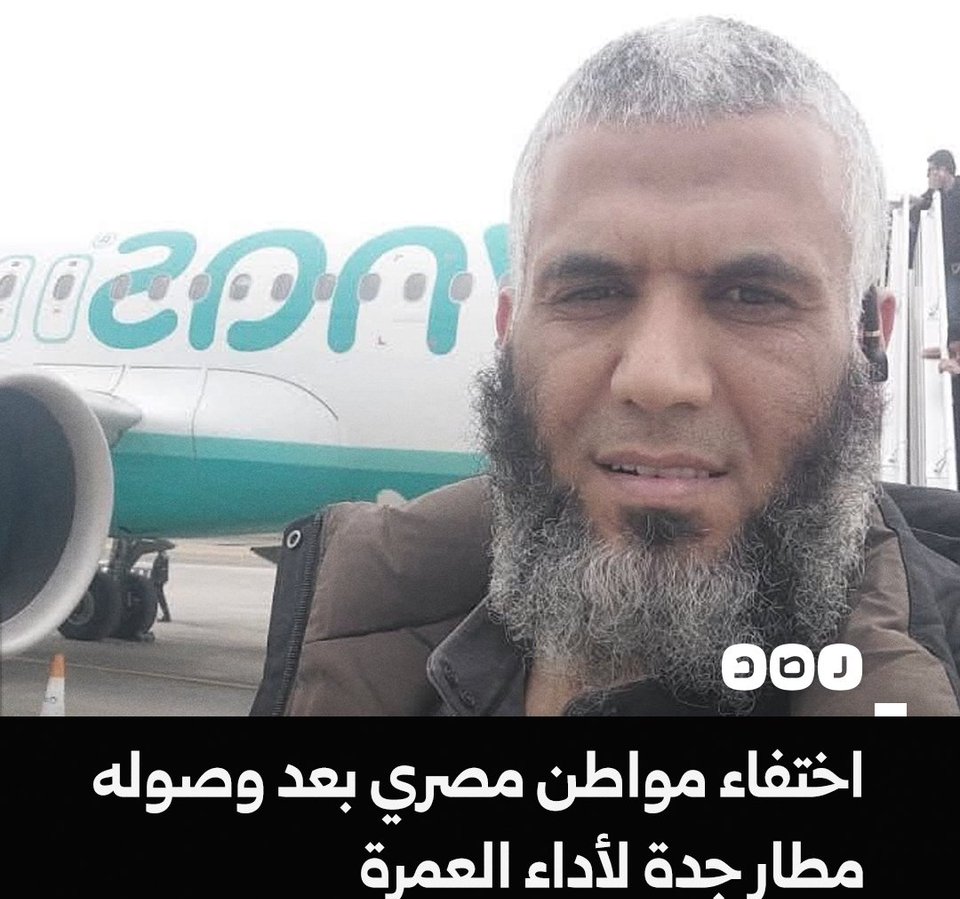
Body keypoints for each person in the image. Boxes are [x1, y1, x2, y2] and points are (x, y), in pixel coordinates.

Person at [252, 16, 960, 718]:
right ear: (507, 331)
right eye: (591, 293)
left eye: (752, 297)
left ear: (870, 337)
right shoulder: (346, 644)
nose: (656, 379)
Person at [910, 149, 960, 358]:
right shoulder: (935, 197)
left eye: (931, 170)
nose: (928, 175)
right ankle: (952, 348)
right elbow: (919, 208)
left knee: (954, 306)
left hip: (956, 262)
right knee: (949, 307)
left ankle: (956, 352)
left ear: (943, 170)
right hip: (948, 264)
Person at [151, 550, 171, 622]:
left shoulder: (162, 558)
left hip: (158, 581)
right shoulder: (163, 558)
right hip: (158, 580)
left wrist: (157, 580)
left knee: (160, 598)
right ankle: (166, 615)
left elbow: (160, 570)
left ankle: (166, 615)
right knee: (160, 598)